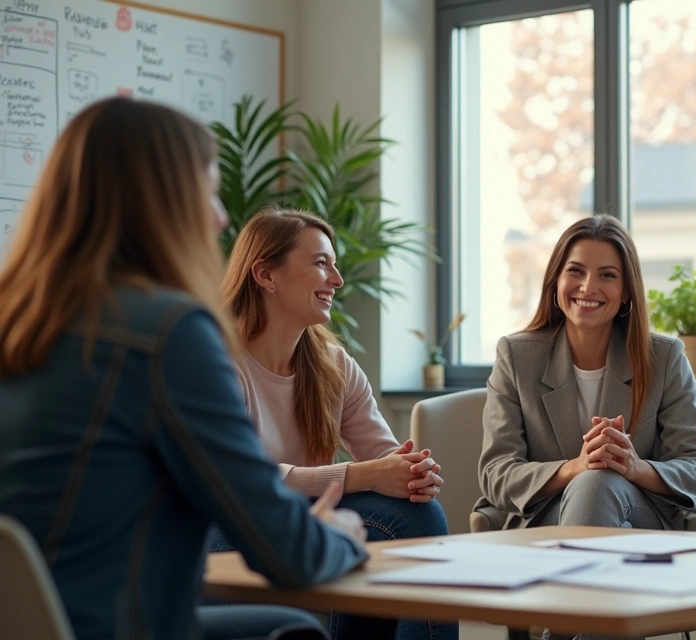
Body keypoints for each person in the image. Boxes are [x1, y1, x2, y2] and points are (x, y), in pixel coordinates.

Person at [0, 97, 368, 640]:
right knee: (294, 631)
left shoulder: (22, 320)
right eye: (210, 191)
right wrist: (344, 532)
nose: (221, 217)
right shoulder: (168, 333)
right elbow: (286, 553)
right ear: (161, 203)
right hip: (112, 624)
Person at [218, 207, 454, 640]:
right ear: (265, 275)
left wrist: (410, 474)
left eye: (335, 265)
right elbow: (243, 480)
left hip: (312, 516)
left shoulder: (332, 364)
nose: (337, 280)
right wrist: (364, 475)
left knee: (418, 513)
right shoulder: (219, 361)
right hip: (231, 524)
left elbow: (383, 454)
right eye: (321, 263)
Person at [477, 214, 696, 532]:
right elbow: (497, 473)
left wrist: (634, 468)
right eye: (575, 271)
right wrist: (576, 468)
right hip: (543, 515)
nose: (588, 287)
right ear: (556, 281)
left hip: (640, 511)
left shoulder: (665, 358)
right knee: (592, 483)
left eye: (607, 275)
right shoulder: (516, 356)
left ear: (627, 291)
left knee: (598, 485)